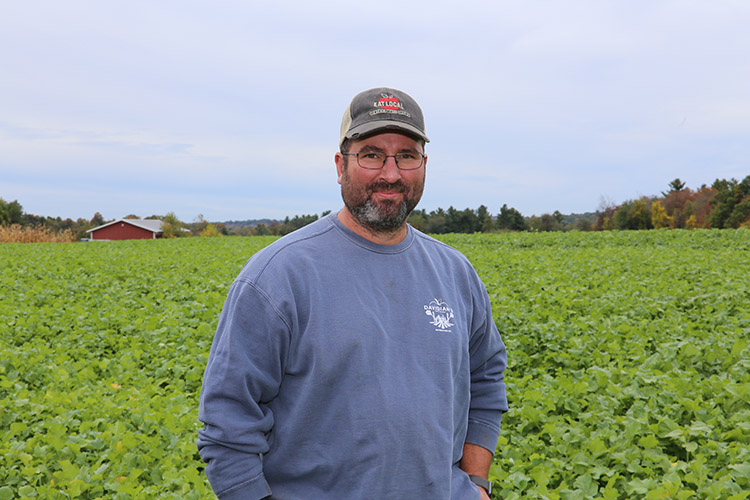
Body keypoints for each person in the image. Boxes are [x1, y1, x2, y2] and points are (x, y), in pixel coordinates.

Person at [197, 87, 508, 500]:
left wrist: (476, 484)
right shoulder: (278, 276)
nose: (391, 173)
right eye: (372, 154)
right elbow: (227, 425)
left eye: (407, 155)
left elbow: (485, 377)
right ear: (340, 164)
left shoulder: (455, 273)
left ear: (424, 165)